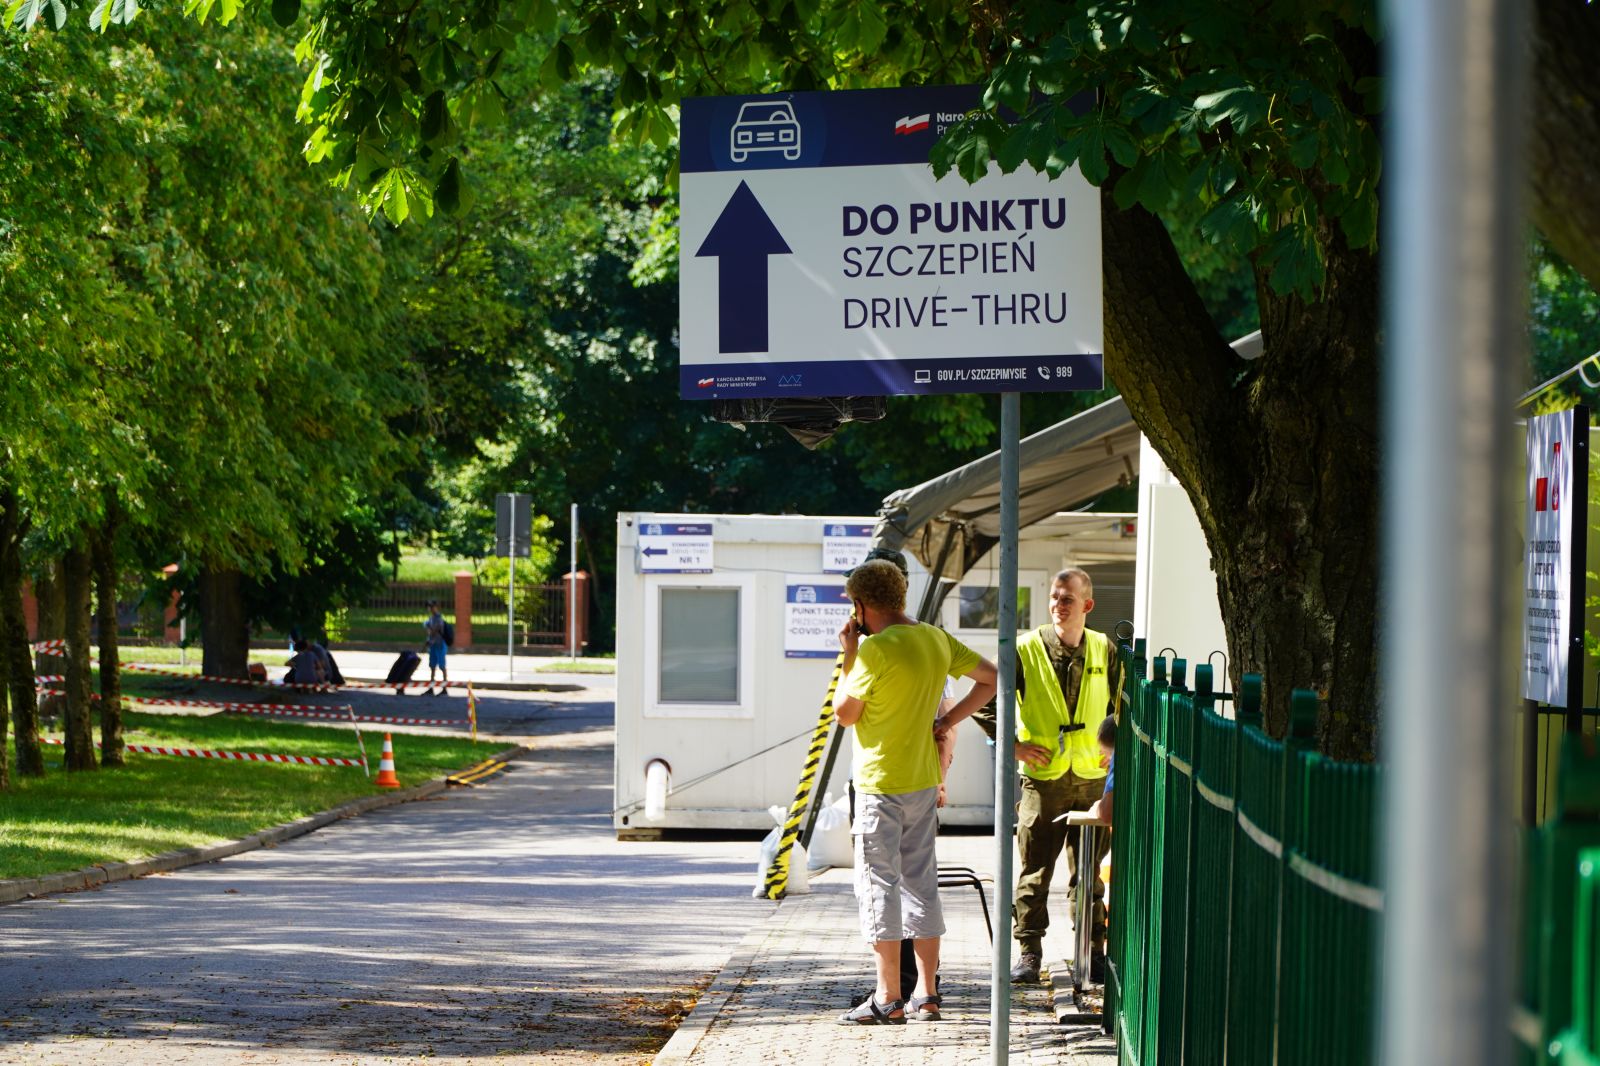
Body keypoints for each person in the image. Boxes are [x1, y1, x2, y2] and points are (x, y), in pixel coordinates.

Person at [833, 559, 997, 1024]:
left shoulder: (875, 651)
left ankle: (887, 997)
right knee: (921, 885)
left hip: (879, 784)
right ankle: (927, 994)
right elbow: (992, 678)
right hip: (923, 783)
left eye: (853, 606)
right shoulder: (935, 639)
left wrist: (849, 653)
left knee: (878, 887)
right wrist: (948, 720)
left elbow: (845, 714)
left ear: (862, 606)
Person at [939, 566, 1119, 985]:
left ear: (1087, 606)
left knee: (1089, 873)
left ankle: (1091, 951)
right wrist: (1013, 745)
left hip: (1091, 775)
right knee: (1035, 871)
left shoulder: (1104, 649)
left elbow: (1122, 705)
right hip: (1043, 778)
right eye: (1055, 597)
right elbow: (987, 702)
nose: (1058, 605)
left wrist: (1115, 751)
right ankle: (1029, 952)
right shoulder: (1026, 648)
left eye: (1067, 599)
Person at [423, 601, 449, 696]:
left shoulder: (438, 619)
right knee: (432, 666)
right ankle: (431, 687)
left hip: (440, 644)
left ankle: (445, 688)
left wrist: (428, 629)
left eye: (432, 607)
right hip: (433, 645)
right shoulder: (431, 618)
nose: (430, 608)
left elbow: (433, 631)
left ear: (436, 607)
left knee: (442, 666)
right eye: (429, 607)